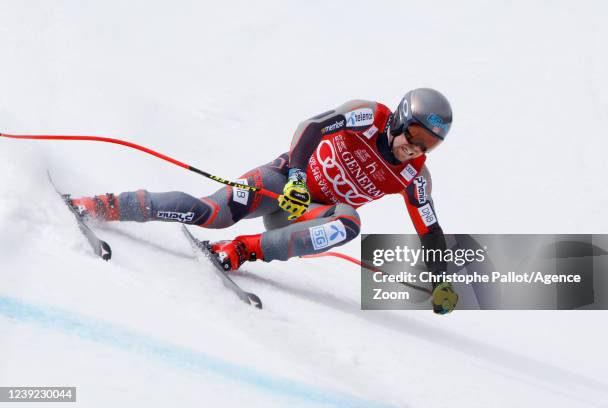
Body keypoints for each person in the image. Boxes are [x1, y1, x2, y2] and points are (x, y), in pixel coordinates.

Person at [70, 88, 458, 314]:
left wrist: (441, 280)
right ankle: (102, 205)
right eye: (416, 135)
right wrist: (296, 177)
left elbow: (431, 230)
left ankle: (239, 251)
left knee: (348, 223)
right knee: (212, 212)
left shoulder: (413, 176)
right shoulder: (370, 116)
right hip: (281, 182)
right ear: (400, 119)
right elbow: (312, 127)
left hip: (306, 215)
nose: (417, 148)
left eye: (431, 144)